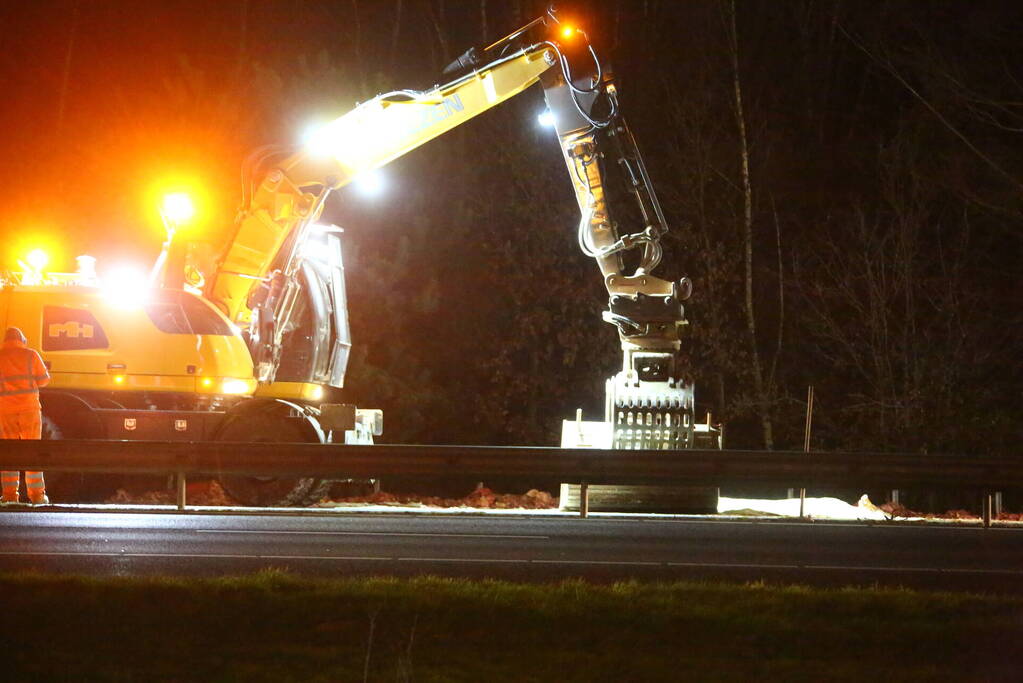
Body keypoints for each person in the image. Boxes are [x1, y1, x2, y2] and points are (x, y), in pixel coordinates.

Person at [0, 327, 51, 505]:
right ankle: (37, 496)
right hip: (29, 410)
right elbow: (44, 380)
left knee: (9, 452)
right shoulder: (31, 355)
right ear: (22, 339)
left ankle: (9, 496)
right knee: (32, 451)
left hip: (5, 411)